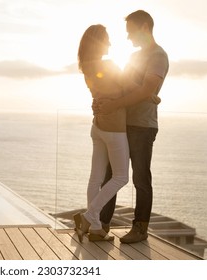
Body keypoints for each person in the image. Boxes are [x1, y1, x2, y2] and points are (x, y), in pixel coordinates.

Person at [97, 10, 169, 244]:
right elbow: (123, 85)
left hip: (142, 126)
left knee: (140, 178)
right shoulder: (134, 57)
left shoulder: (158, 55)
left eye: (130, 32)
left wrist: (116, 103)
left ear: (145, 27)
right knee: (111, 176)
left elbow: (146, 89)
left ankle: (140, 228)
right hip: (122, 125)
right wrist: (103, 100)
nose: (128, 38)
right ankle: (102, 224)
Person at [73, 24, 130, 242]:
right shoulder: (109, 65)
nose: (110, 43)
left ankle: (96, 229)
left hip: (97, 126)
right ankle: (89, 217)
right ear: (98, 42)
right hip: (114, 127)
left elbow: (105, 93)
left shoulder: (86, 66)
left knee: (95, 178)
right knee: (121, 177)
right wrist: (152, 96)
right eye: (107, 39)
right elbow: (129, 87)